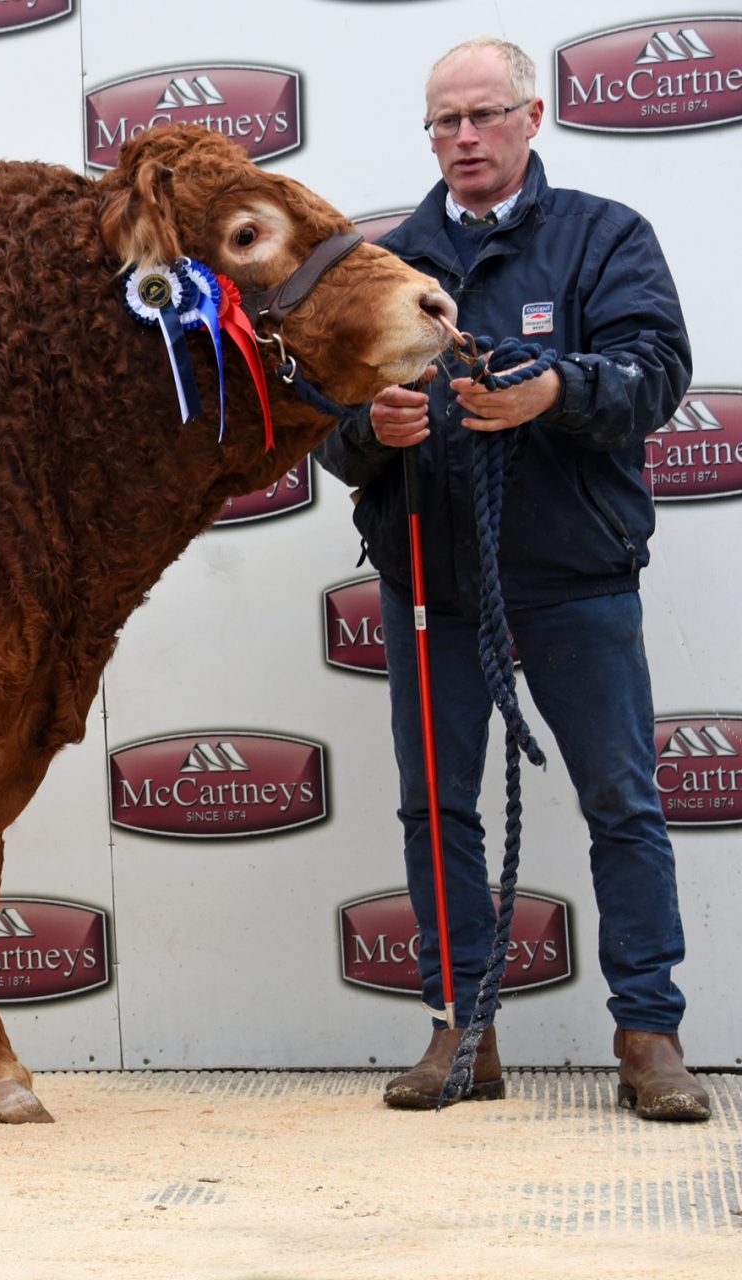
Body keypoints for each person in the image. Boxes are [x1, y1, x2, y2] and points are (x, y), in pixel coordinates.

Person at [314, 37, 706, 1120]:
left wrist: (556, 393)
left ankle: (649, 1031)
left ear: (534, 118)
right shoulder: (381, 265)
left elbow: (655, 373)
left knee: (622, 800)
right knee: (437, 807)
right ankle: (462, 1027)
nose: (464, 137)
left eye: (484, 115)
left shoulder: (604, 236)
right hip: (431, 582)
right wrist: (373, 430)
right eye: (444, 121)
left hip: (574, 574)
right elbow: (330, 428)